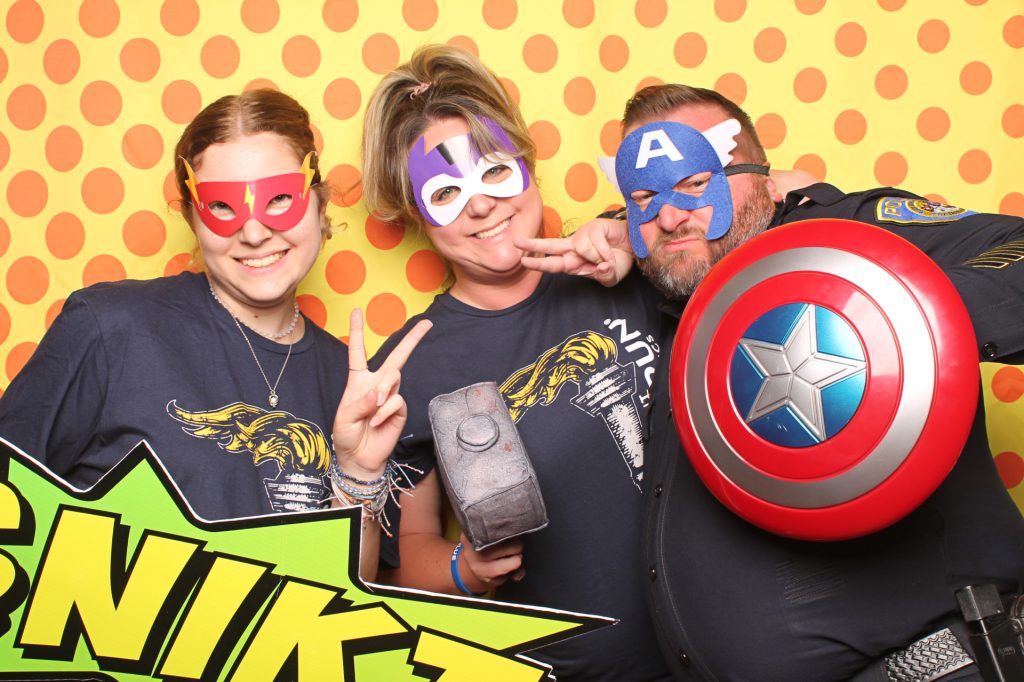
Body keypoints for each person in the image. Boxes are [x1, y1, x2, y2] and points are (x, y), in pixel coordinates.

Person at [526, 83, 1024, 681]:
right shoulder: (672, 301)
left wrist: (893, 324)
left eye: (694, 183)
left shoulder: (846, 241)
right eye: (641, 198)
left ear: (766, 179)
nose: (670, 213)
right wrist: (616, 227)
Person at [0, 89, 430, 579]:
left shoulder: (352, 382)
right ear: (191, 218)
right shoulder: (110, 327)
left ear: (319, 203)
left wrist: (359, 472)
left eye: (280, 198)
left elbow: (350, 600)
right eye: (223, 208)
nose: (253, 233)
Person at [359, 44, 675, 681]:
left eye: (493, 171)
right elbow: (404, 555)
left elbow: (774, 206)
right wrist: (464, 569)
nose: (480, 205)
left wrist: (641, 239)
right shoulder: (410, 360)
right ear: (416, 212)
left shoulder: (631, 263)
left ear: (526, 163)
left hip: (731, 647)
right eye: (445, 190)